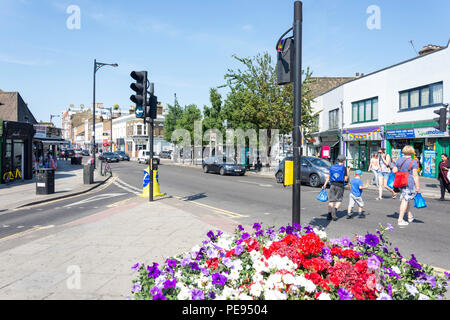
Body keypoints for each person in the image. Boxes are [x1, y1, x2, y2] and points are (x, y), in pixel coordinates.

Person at [392, 145, 421, 227]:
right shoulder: (413, 162)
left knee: (406, 198)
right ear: (412, 152)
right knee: (405, 200)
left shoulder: (398, 160)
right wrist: (418, 187)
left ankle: (409, 216)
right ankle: (400, 220)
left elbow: (394, 170)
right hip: (409, 183)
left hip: (400, 182)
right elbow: (415, 175)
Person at [322, 155, 350, 221]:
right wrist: (348, 172)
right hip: (340, 185)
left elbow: (328, 177)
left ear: (337, 160)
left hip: (332, 185)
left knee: (331, 200)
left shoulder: (332, 167)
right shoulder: (344, 168)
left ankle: (329, 215)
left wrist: (325, 185)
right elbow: (345, 179)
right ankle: (335, 210)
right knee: (339, 200)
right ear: (343, 161)